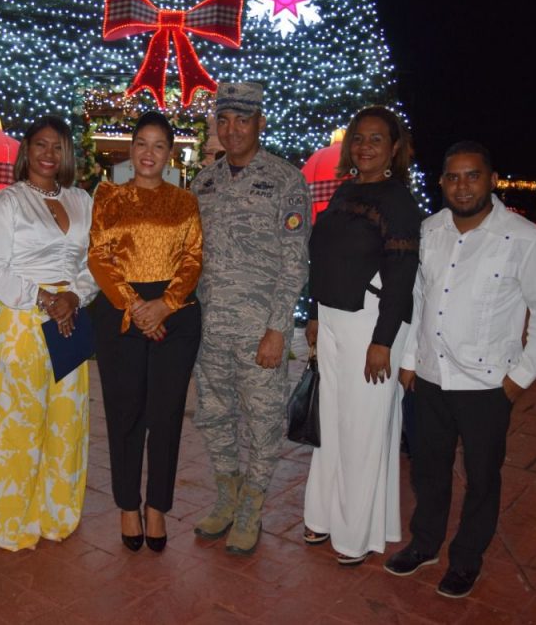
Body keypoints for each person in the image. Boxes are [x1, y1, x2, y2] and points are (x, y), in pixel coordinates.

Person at [385, 141, 536, 598]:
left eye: (472, 175)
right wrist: (410, 361)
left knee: (482, 478)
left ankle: (466, 559)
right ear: (442, 182)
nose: (462, 186)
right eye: (453, 177)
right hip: (430, 377)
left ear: (492, 179)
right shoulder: (430, 230)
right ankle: (425, 544)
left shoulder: (524, 238)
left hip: (488, 385)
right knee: (428, 470)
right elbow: (419, 298)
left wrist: (521, 377)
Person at [190, 83, 309, 555]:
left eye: (243, 119)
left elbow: (295, 262)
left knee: (262, 421)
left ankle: (252, 508)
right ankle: (227, 495)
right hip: (209, 328)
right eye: (224, 119)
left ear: (260, 123)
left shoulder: (285, 180)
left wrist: (278, 329)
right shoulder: (204, 183)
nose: (233, 129)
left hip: (260, 330)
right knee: (214, 416)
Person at [301, 106, 421, 566]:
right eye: (358, 138)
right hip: (333, 317)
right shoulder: (346, 190)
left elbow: (402, 275)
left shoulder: (398, 201)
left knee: (363, 429)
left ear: (394, 148)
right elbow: (324, 256)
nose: (364, 146)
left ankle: (355, 534)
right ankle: (324, 514)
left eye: (375, 139)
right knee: (332, 422)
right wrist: (315, 311)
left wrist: (383, 341)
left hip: (372, 323)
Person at [0, 115, 99, 552]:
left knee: (67, 422)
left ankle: (57, 515)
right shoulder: (8, 202)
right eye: (41, 144)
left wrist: (74, 296)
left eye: (57, 146)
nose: (49, 154)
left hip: (70, 319)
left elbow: (95, 263)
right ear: (26, 150)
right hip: (22, 318)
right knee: (19, 426)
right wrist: (46, 298)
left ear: (67, 154)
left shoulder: (81, 200)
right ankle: (13, 523)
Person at [88, 111, 203, 552]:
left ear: (170, 153)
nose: (148, 153)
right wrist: (135, 306)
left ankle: (157, 507)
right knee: (124, 414)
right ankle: (127, 506)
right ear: (130, 148)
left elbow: (193, 257)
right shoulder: (108, 195)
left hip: (175, 316)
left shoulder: (185, 201)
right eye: (141, 143)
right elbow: (98, 255)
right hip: (121, 313)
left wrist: (165, 306)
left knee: (166, 415)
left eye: (158, 145)